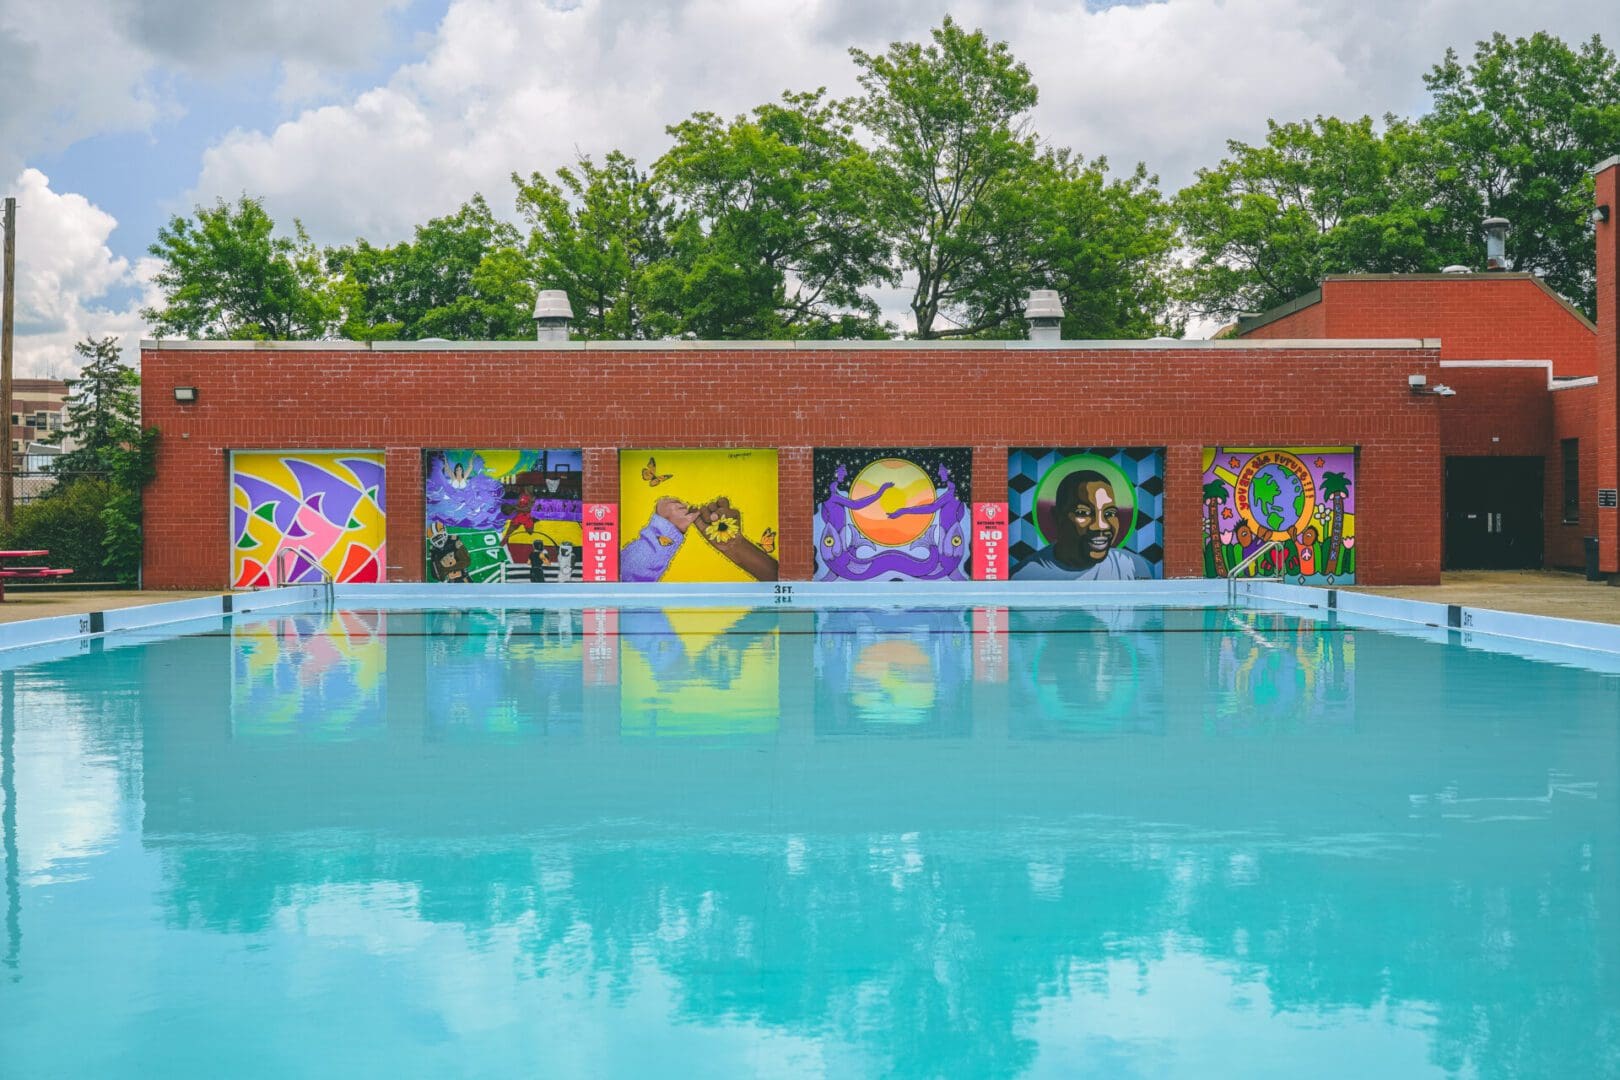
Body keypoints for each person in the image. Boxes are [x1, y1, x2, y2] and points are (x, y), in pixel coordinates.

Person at [1013, 469, 1153, 581]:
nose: (1101, 525)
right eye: (1083, 513)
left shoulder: (1133, 567)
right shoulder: (1023, 576)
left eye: (1109, 514)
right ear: (1057, 516)